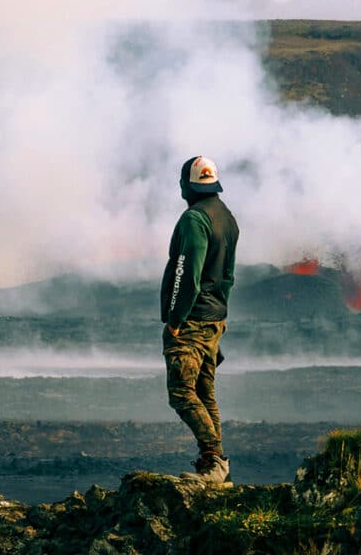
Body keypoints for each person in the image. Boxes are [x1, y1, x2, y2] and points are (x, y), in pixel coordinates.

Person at [160, 155, 239, 484]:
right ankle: (216, 465)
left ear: (186, 185)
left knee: (181, 390)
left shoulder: (194, 219)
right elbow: (228, 277)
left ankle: (213, 461)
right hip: (214, 317)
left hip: (192, 319)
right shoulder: (227, 218)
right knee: (205, 390)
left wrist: (176, 318)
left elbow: (185, 272)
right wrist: (217, 312)